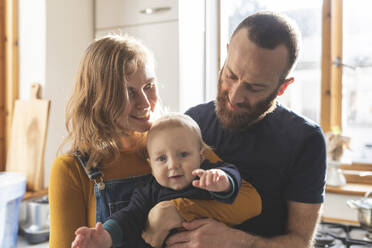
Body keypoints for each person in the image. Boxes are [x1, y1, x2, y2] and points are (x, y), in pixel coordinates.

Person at [48, 35, 261, 248]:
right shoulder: (71, 170)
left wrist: (174, 211)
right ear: (100, 98)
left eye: (149, 85)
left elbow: (251, 202)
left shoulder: (177, 141)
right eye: (128, 92)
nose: (144, 103)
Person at [162, 11, 327, 248]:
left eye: (254, 87)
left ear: (282, 87)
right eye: (231, 75)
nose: (235, 96)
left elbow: (300, 242)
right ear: (227, 53)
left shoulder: (305, 140)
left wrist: (237, 241)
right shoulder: (192, 122)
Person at [71, 113, 261, 248]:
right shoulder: (149, 191)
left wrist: (223, 181)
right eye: (162, 159)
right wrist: (106, 236)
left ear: (201, 156)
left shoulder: (205, 177)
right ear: (150, 165)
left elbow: (231, 174)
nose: (173, 165)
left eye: (183, 154)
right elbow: (129, 217)